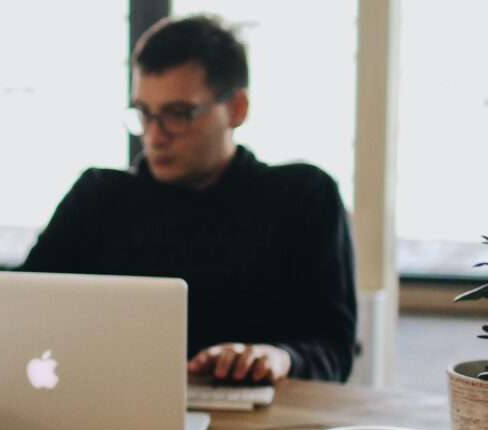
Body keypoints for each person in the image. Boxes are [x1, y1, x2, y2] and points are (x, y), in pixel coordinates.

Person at [19, 15, 357, 383]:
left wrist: (279, 357)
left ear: (237, 109)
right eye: (145, 114)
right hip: (112, 410)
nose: (155, 136)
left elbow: (334, 351)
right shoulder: (98, 196)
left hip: (260, 424)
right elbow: (17, 307)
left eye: (178, 114)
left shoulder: (303, 196)